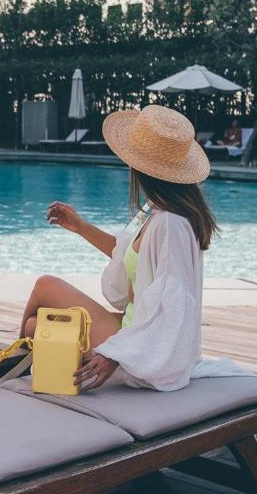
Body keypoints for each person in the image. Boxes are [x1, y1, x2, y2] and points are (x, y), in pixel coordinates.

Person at [20, 104, 241, 392]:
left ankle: (14, 363)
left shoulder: (170, 224)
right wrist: (80, 227)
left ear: (139, 167)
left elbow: (174, 306)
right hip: (135, 328)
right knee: (36, 322)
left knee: (41, 301)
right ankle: (19, 360)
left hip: (148, 351)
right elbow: (131, 256)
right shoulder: (156, 210)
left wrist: (118, 356)